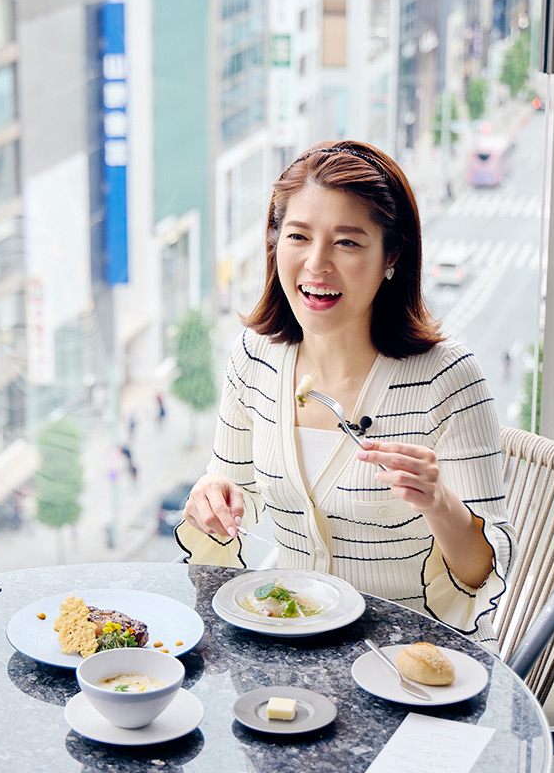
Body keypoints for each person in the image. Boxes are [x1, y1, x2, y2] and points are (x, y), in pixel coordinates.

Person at [178, 140, 514, 651]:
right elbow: (231, 489)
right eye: (298, 236)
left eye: (347, 243)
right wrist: (211, 498)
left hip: (411, 657)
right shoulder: (254, 355)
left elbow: (483, 575)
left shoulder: (448, 378)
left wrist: (439, 502)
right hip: (293, 644)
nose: (316, 264)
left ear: (391, 256)